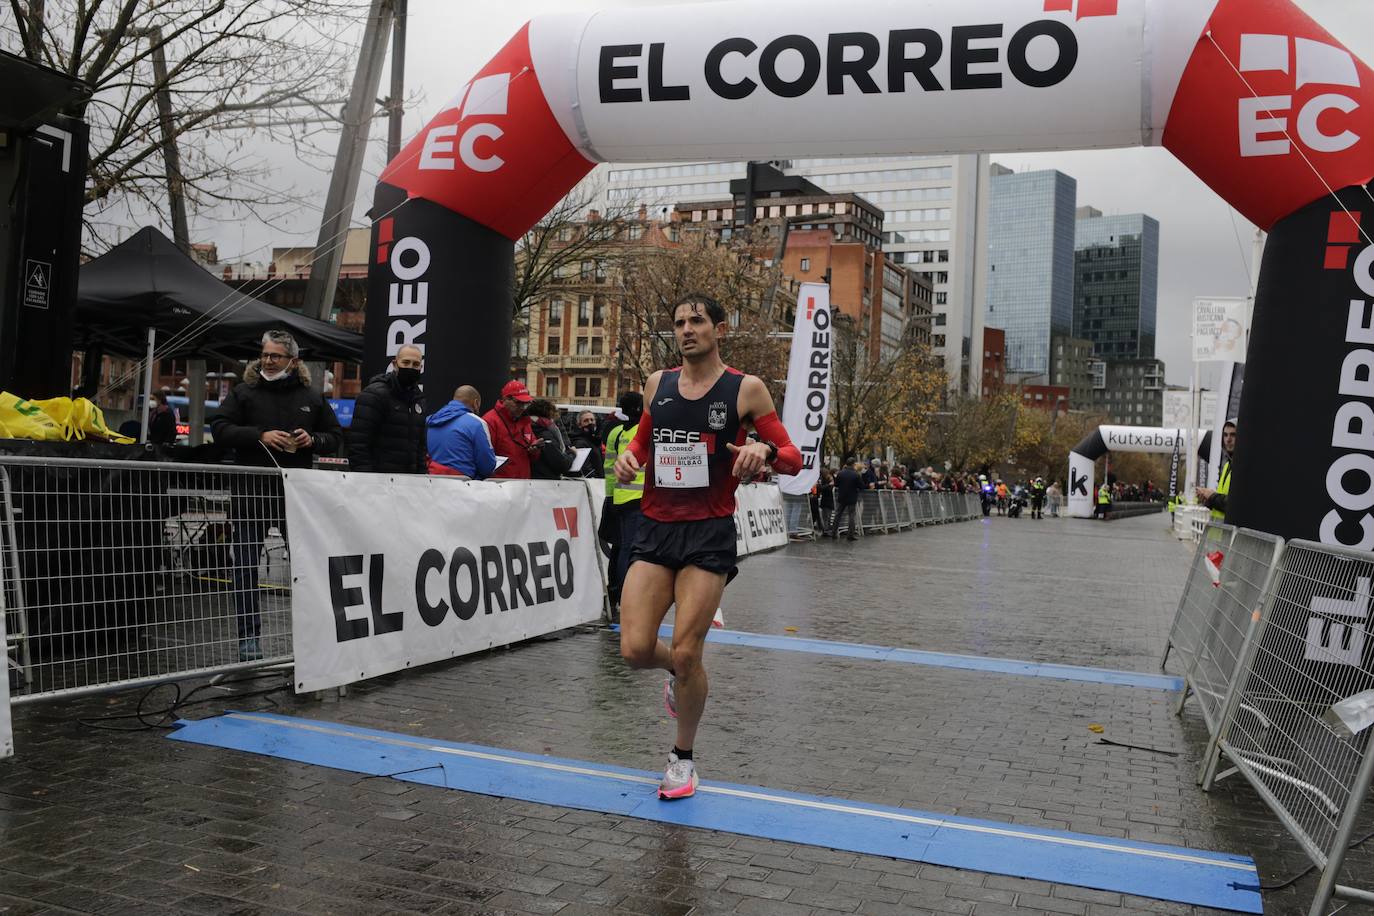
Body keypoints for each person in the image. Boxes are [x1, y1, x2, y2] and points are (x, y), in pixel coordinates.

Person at [614, 293, 802, 800]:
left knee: (686, 648)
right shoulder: (659, 384)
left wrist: (763, 450)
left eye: (697, 321)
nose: (686, 329)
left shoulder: (746, 389)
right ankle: (680, 675)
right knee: (633, 649)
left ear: (719, 328)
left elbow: (792, 457)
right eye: (678, 323)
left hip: (709, 532)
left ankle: (682, 759)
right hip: (655, 528)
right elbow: (643, 440)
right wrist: (629, 459)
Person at [210, 330, 341, 661]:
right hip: (251, 493)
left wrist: (314, 440)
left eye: (275, 356)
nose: (267, 361)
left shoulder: (312, 397)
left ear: (293, 361)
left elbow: (336, 436)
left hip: (295, 497)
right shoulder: (243, 392)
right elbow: (220, 429)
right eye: (264, 355)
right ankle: (248, 640)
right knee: (244, 568)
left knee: (306, 568)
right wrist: (260, 436)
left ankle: (311, 638)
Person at [345, 344, 426, 474]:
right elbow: (358, 445)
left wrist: (422, 479)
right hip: (378, 483)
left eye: (416, 364)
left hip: (410, 484)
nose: (411, 367)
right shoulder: (374, 395)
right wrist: (366, 481)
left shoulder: (419, 400)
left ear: (421, 367)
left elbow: (420, 448)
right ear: (395, 364)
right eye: (405, 362)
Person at [601, 392, 645, 614]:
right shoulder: (643, 432)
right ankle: (626, 598)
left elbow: (609, 467)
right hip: (638, 499)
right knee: (630, 549)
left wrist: (610, 496)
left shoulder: (616, 433)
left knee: (619, 548)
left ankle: (615, 592)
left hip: (618, 497)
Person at [426, 385, 498, 479]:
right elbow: (487, 465)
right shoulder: (477, 423)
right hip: (463, 485)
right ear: (476, 403)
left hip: (434, 482)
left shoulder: (433, 420)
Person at [483, 380, 540, 479]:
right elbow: (484, 458)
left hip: (522, 484)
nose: (522, 407)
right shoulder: (490, 421)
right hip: (500, 486)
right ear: (505, 399)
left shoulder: (524, 421)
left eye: (525, 404)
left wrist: (535, 450)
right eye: (518, 403)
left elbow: (532, 453)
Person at [1196, 420, 1236, 520]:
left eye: (1233, 435)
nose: (1228, 439)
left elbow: (1236, 505)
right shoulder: (1227, 465)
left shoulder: (1243, 467)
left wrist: (1212, 496)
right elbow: (1223, 502)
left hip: (1230, 532)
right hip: (1220, 532)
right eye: (1225, 435)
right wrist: (1208, 500)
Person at [528, 400, 575, 479]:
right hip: (545, 481)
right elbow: (561, 465)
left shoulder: (528, 428)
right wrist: (572, 454)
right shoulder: (545, 433)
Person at [829, 460, 864, 540]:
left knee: (838, 514)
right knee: (851, 515)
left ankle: (834, 532)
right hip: (852, 497)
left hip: (842, 496)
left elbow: (836, 484)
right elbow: (861, 486)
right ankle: (850, 534)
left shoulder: (840, 473)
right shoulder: (856, 474)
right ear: (853, 464)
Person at [569, 410, 603, 478]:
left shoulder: (594, 441)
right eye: (586, 421)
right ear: (579, 425)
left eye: (592, 420)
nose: (590, 422)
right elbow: (585, 468)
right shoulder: (580, 442)